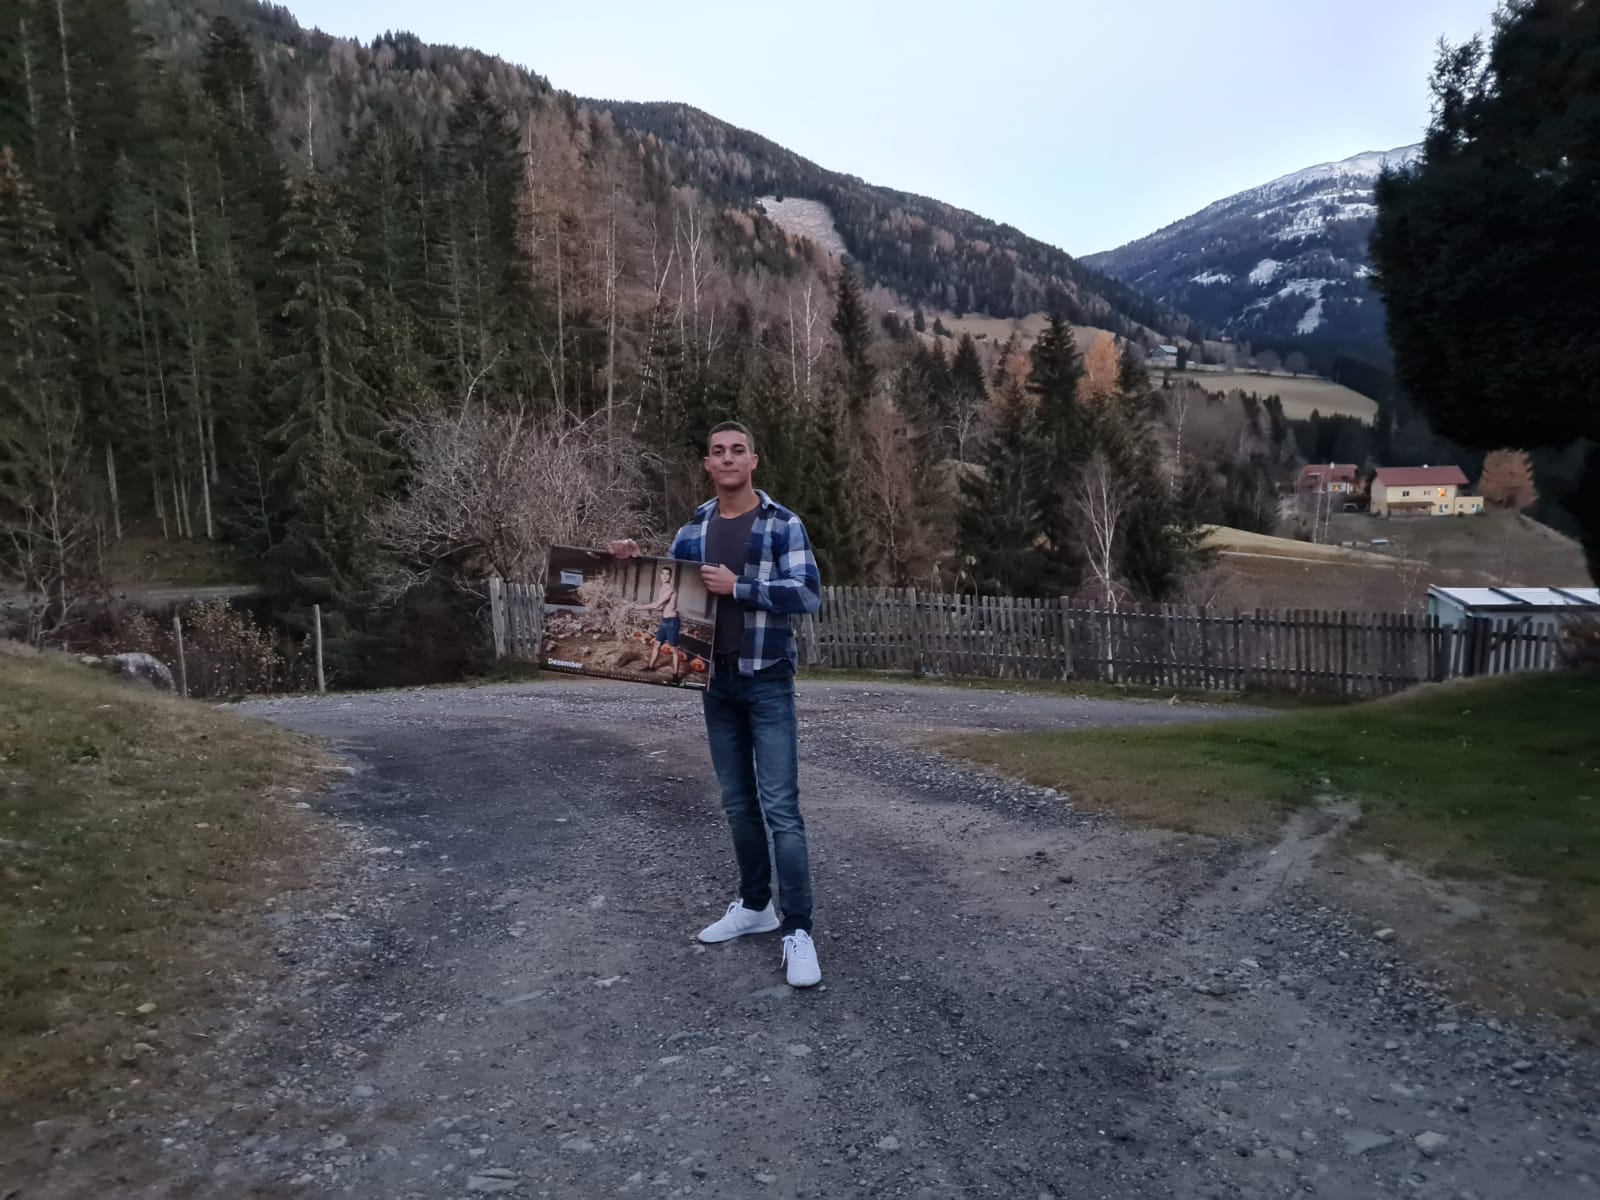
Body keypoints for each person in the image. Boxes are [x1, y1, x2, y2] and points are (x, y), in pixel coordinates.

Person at [609, 421, 824, 987]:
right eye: (718, 452)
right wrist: (626, 564)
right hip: (715, 684)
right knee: (737, 804)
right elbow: (664, 593)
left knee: (781, 809)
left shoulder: (782, 524)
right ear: (707, 464)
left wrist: (740, 587)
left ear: (754, 461)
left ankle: (798, 929)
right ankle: (755, 906)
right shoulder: (693, 531)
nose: (728, 459)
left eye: (738, 451)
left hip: (767, 680)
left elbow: (807, 593)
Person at [638, 566, 680, 676]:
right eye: (663, 573)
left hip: (672, 622)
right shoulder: (662, 589)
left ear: (670, 576)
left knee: (673, 649)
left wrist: (639, 607)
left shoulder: (669, 589)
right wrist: (644, 608)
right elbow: (660, 607)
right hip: (664, 621)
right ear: (660, 575)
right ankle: (651, 667)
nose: (665, 576)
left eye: (667, 574)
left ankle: (675, 675)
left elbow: (656, 604)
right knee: (657, 644)